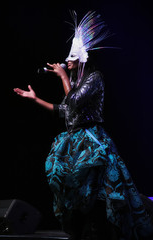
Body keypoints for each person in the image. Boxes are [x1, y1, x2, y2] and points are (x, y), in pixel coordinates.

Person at [14, 11, 153, 240]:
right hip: (74, 140)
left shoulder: (95, 77)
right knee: (71, 191)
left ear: (81, 58)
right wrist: (36, 98)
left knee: (96, 194)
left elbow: (75, 102)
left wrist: (62, 78)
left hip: (91, 141)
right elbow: (66, 110)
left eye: (71, 57)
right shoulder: (78, 80)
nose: (66, 60)